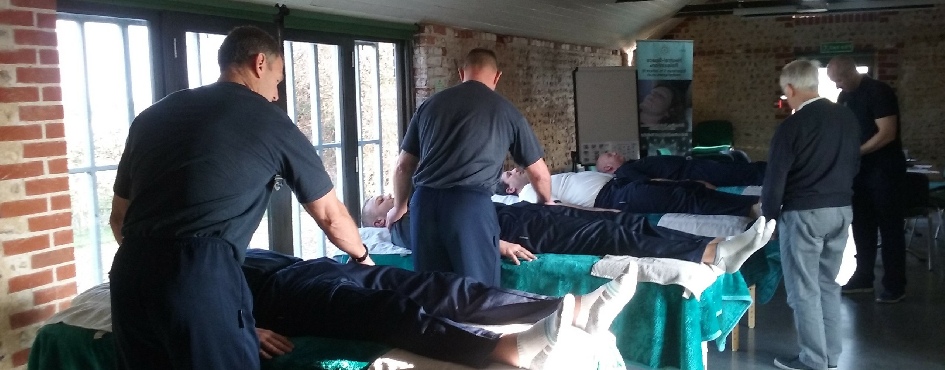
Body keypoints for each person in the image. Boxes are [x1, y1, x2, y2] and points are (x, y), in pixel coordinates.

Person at [107, 26, 373, 370]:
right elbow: (330, 215)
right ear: (259, 63)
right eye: (277, 80)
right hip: (200, 274)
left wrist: (231, 323)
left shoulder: (153, 115)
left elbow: (118, 218)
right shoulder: (268, 119)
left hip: (129, 275)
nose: (275, 94)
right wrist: (363, 257)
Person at [244, 249, 639, 369]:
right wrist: (244, 329)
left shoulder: (219, 242)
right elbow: (185, 312)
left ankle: (572, 310)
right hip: (278, 300)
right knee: (383, 309)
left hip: (313, 267)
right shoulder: (184, 265)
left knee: (441, 286)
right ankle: (497, 348)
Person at [386, 48, 554, 286]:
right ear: (497, 77)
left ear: (460, 73)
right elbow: (539, 174)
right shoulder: (506, 111)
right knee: (477, 295)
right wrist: (546, 202)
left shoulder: (429, 105)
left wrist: (398, 207)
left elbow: (403, 166)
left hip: (424, 204)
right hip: (469, 207)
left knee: (431, 292)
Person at [362, 196, 775, 274]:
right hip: (519, 230)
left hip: (524, 214)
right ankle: (708, 255)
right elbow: (437, 242)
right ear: (380, 223)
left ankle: (718, 246)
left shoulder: (416, 207)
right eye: (378, 202)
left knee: (623, 223)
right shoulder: (401, 228)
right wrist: (499, 245)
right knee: (611, 237)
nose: (385, 197)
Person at [765, 60, 860, 370]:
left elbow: (775, 178)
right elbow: (855, 164)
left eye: (785, 94)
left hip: (804, 214)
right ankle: (831, 356)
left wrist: (769, 219)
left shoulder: (792, 125)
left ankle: (813, 360)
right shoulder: (846, 117)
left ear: (791, 89)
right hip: (842, 211)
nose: (786, 99)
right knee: (829, 285)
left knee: (804, 290)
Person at [827, 55, 907, 303]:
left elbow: (887, 134)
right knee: (862, 227)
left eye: (838, 79)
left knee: (890, 228)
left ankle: (895, 285)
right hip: (859, 172)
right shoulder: (844, 97)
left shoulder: (879, 92)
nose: (837, 86)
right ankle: (863, 277)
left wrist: (856, 151)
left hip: (885, 171)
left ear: (851, 72)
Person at [496, 168, 761, 217]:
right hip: (612, 198)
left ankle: (751, 203)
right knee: (682, 199)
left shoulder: (541, 180)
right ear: (510, 188)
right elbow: (558, 207)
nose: (515, 170)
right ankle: (747, 208)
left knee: (687, 187)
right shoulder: (526, 195)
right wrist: (603, 212)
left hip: (617, 185)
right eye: (509, 174)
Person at [595, 152, 767, 187]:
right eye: (610, 154)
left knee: (736, 169)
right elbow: (652, 183)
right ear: (608, 167)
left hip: (692, 167)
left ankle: (768, 171)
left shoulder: (629, 165)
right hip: (690, 174)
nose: (615, 152)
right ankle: (770, 174)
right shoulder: (625, 172)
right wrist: (691, 184)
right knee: (737, 173)